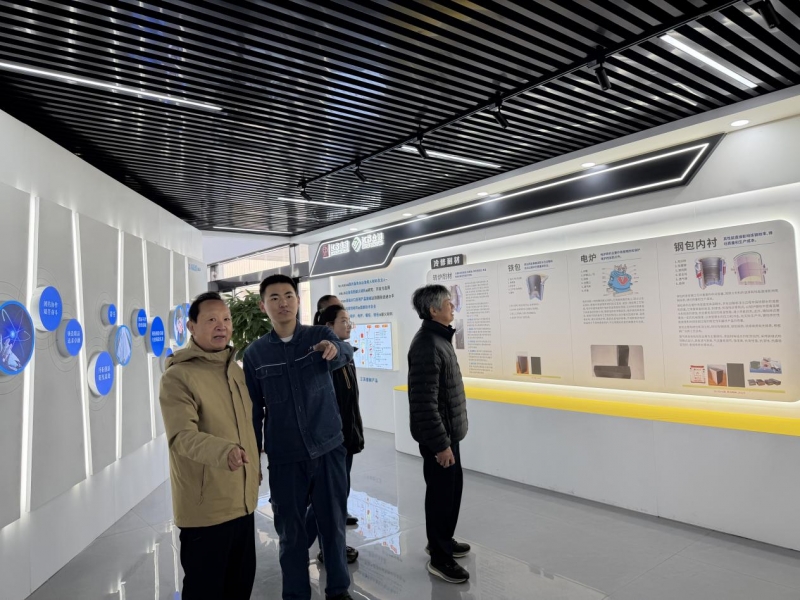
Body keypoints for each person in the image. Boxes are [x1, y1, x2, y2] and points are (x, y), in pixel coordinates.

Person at [244, 275, 354, 600]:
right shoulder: (255, 354)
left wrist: (335, 349)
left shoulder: (319, 335)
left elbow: (346, 351)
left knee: (333, 526)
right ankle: (295, 594)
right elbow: (253, 412)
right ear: (263, 306)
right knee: (290, 533)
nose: (283, 303)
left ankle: (339, 590)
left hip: (328, 448)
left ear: (298, 300)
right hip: (285, 456)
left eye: (289, 295)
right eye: (274, 298)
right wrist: (255, 460)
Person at [159, 292, 259, 600]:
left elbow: (245, 427)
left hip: (243, 501)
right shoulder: (178, 376)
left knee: (239, 587)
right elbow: (181, 436)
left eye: (226, 319)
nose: (222, 326)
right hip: (206, 508)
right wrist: (224, 452)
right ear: (191, 326)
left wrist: (253, 470)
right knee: (206, 591)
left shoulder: (235, 370)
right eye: (211, 319)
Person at [408, 284, 470, 584]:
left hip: (448, 435)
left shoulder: (439, 338)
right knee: (441, 497)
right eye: (448, 302)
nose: (452, 306)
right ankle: (439, 557)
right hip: (440, 439)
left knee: (451, 492)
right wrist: (441, 444)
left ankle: (442, 540)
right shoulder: (427, 345)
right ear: (433, 310)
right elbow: (423, 403)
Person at [307, 304, 364, 565]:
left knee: (339, 494)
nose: (349, 325)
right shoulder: (326, 358)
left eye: (349, 320)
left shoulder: (344, 354)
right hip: (332, 442)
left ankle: (329, 544)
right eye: (343, 320)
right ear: (328, 326)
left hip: (346, 437)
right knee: (329, 498)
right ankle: (323, 546)